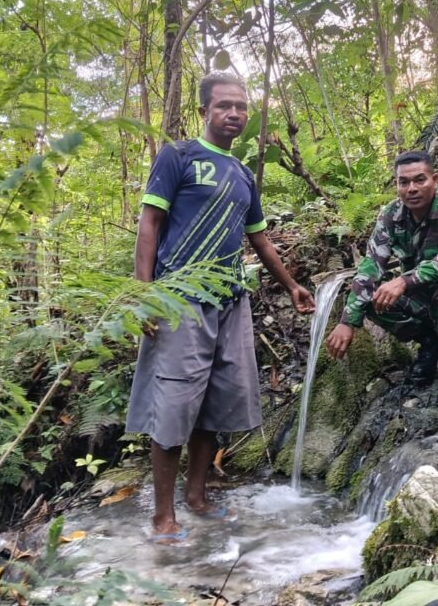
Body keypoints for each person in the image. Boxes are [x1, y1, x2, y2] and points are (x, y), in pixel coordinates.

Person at [126, 72, 315, 543]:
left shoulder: (242, 174)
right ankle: (162, 517)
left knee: (215, 400)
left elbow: (260, 239)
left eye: (241, 107)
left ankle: (197, 496)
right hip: (180, 299)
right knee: (173, 405)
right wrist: (145, 295)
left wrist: (291, 285)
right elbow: (150, 223)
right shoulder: (178, 156)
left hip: (231, 300)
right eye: (223, 106)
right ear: (204, 111)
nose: (234, 113)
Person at [326, 151, 438, 407]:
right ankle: (431, 344)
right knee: (371, 298)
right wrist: (348, 321)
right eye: (404, 183)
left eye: (420, 180)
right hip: (423, 298)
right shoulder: (391, 215)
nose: (412, 189)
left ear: (434, 180)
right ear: (396, 185)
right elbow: (370, 267)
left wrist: (403, 281)